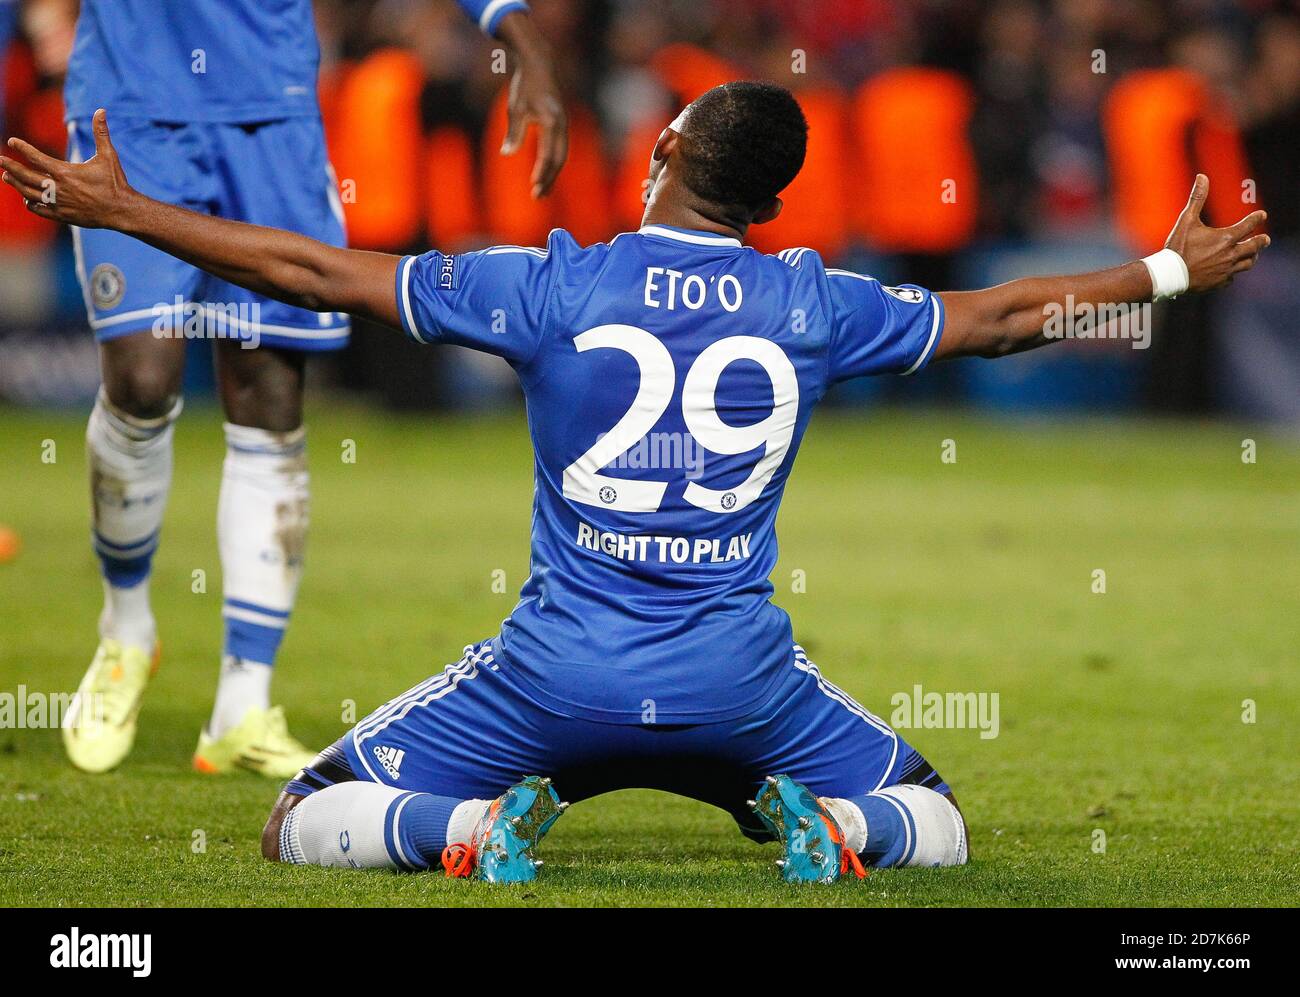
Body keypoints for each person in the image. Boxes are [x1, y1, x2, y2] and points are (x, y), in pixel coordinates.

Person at [2, 81, 1268, 882]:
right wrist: (1163, 274)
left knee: (302, 815)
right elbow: (999, 317)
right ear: (769, 202)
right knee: (932, 816)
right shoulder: (812, 303)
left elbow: (315, 271)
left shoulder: (552, 283)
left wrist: (130, 213)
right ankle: (838, 832)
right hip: (741, 693)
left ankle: (460, 834)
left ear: (661, 147)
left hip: (552, 684)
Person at [40, 0, 566, 777]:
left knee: (270, 393)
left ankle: (243, 703)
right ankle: (126, 630)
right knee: (142, 381)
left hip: (272, 115)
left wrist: (520, 38)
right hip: (133, 105)